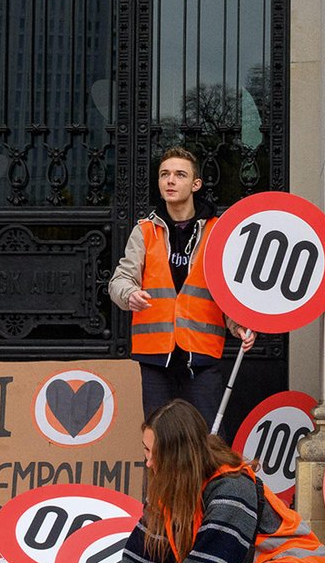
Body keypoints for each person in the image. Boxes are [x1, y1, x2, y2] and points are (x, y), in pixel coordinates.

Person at [73, 401, 325, 563]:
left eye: (157, 454)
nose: (150, 463)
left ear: (181, 456)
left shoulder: (232, 488)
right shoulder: (169, 491)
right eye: (146, 450)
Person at [109, 148, 255, 426]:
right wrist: (130, 294)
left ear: (195, 184)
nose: (170, 181)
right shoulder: (145, 231)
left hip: (201, 355)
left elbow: (229, 288)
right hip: (155, 358)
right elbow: (119, 281)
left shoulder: (217, 231)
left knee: (207, 441)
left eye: (179, 175)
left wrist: (236, 324)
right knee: (160, 442)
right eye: (165, 174)